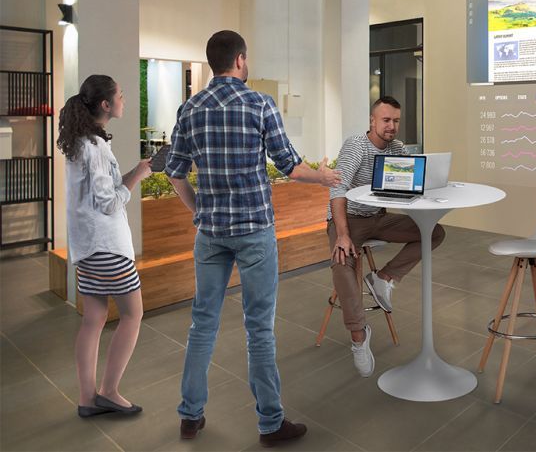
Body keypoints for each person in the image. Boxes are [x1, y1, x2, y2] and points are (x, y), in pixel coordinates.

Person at [165, 30, 341, 447]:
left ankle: (190, 415)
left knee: (202, 322)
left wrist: (199, 210)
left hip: (211, 233)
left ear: (213, 62)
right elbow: (289, 166)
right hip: (254, 231)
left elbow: (174, 172)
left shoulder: (190, 108)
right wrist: (323, 177)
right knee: (259, 328)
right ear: (240, 60)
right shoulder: (259, 103)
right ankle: (270, 423)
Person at [327, 96, 446, 377]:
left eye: (396, 121)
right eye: (386, 120)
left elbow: (407, 184)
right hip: (349, 219)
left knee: (433, 232)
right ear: (372, 121)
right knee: (342, 263)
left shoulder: (397, 148)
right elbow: (337, 189)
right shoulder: (356, 146)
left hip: (378, 218)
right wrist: (342, 235)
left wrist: (424, 186)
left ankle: (383, 278)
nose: (391, 126)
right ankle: (359, 336)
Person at [57, 74, 151, 418]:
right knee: (133, 314)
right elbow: (108, 203)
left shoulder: (82, 143)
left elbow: (103, 191)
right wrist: (137, 178)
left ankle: (87, 399)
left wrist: (136, 170)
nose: (124, 101)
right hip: (108, 248)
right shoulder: (94, 147)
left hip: (87, 248)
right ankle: (109, 392)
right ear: (105, 104)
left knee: (94, 319)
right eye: (121, 96)